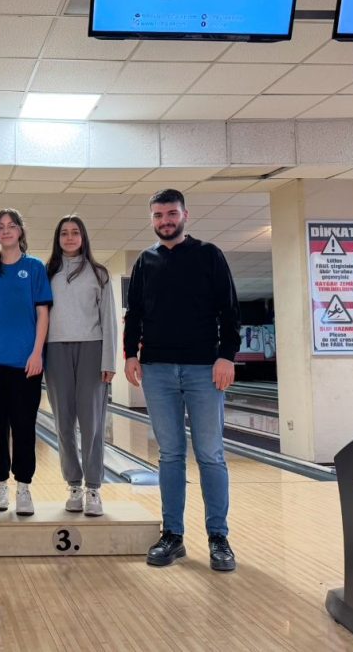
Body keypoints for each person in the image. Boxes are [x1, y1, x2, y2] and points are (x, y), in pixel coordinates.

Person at [123, 189, 240, 572]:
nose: (164, 221)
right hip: (157, 369)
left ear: (185, 215)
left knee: (210, 453)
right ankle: (172, 535)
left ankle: (218, 537)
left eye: (171, 214)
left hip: (203, 368)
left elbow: (229, 310)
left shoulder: (209, 255)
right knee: (170, 454)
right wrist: (129, 354)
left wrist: (227, 356)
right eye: (158, 215)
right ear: (152, 219)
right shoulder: (145, 261)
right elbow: (135, 313)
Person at [0, 209, 52, 515]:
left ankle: (24, 487)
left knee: (24, 426)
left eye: (11, 226)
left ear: (20, 231)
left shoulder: (34, 268)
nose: (5, 231)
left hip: (24, 361)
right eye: (0, 227)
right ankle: (1, 483)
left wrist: (36, 353)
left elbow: (43, 313)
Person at [44, 215, 117, 517]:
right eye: (64, 233)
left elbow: (110, 320)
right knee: (63, 424)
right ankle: (73, 484)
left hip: (92, 349)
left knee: (92, 425)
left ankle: (94, 488)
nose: (70, 237)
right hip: (55, 349)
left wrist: (109, 360)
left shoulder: (99, 274)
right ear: (57, 238)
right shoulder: (47, 273)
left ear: (84, 237)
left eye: (75, 233)